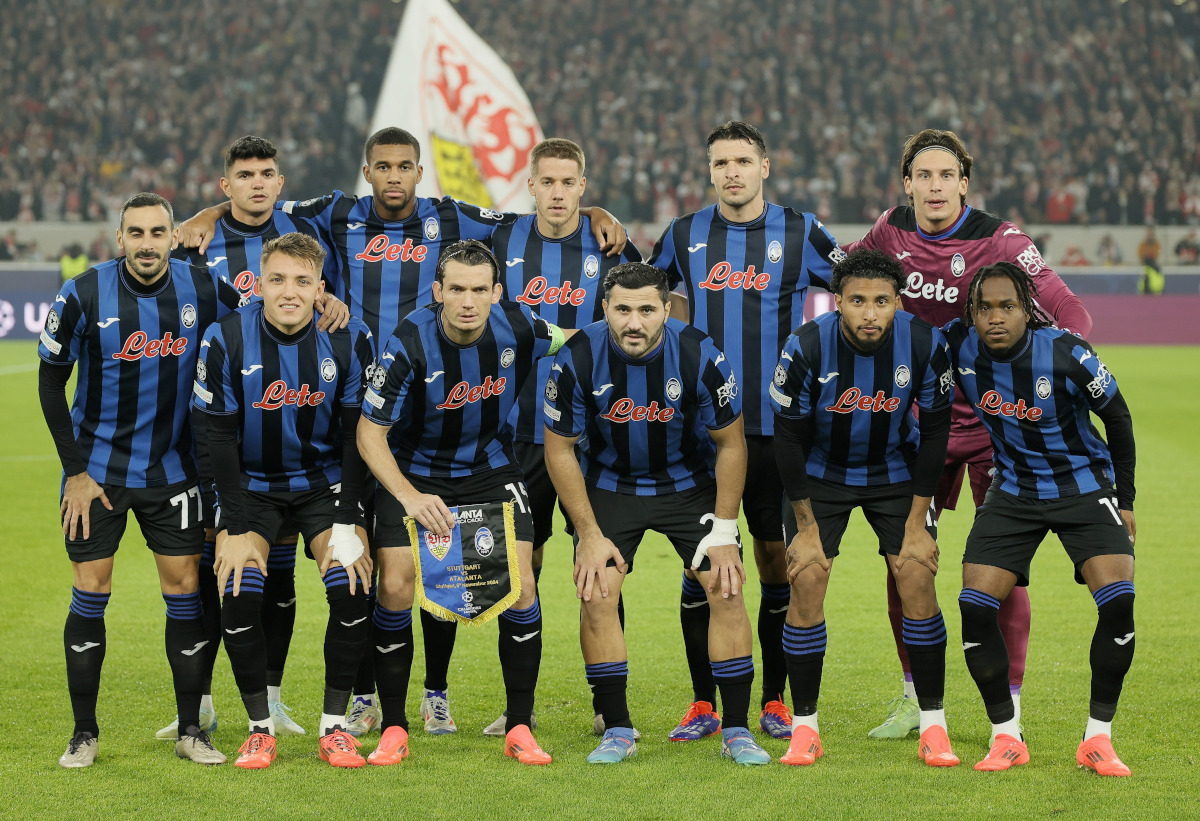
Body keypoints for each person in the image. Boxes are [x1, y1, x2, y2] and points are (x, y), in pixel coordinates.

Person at [180, 127, 626, 735]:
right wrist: (209, 212)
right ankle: (361, 699)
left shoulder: (450, 218)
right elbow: (264, 203)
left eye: (405, 166)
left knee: (479, 574)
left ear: (419, 172)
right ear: (368, 172)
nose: (393, 176)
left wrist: (592, 209)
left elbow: (526, 214)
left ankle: (438, 699)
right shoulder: (338, 213)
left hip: (433, 416)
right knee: (373, 573)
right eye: (383, 166)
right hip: (377, 411)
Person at [845, 128, 1093, 738]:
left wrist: (1061, 376)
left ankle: (1010, 703)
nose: (934, 187)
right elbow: (838, 262)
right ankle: (913, 698)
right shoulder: (889, 230)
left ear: (964, 182)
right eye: (922, 176)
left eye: (945, 176)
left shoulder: (999, 240)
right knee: (905, 561)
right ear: (908, 184)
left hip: (990, 429)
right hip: (913, 424)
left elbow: (1071, 313)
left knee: (1000, 567)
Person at [649, 121, 845, 741]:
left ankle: (777, 699)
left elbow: (863, 287)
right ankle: (703, 702)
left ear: (765, 165)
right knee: (699, 565)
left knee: (772, 562)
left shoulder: (802, 230)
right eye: (719, 163)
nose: (730, 172)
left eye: (741, 160)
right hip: (702, 432)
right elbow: (637, 292)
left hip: (779, 431)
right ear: (709, 171)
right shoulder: (684, 235)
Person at [38, 193, 242, 767]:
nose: (148, 243)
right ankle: (84, 733)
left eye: (158, 232)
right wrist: (74, 472)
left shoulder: (205, 288)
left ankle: (190, 731)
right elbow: (51, 384)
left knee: (183, 591)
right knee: (91, 589)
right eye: (137, 232)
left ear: (172, 235)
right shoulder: (81, 293)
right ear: (119, 236)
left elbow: (261, 318)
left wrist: (322, 301)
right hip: (96, 477)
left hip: (174, 473)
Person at [158, 134, 351, 742]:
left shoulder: (309, 226)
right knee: (219, 570)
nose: (258, 183)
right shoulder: (198, 244)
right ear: (226, 185)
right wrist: (205, 217)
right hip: (218, 441)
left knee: (285, 580)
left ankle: (271, 702)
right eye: (245, 176)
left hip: (304, 459)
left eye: (268, 172)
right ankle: (205, 702)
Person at [544, 261, 770, 766]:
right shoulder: (576, 357)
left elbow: (731, 444)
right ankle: (617, 728)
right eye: (622, 309)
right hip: (609, 485)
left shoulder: (701, 354)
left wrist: (726, 530)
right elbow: (559, 450)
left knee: (726, 583)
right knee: (597, 588)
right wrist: (587, 533)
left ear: (666, 310)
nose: (634, 322)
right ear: (604, 309)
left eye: (647, 310)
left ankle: (736, 728)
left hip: (689, 485)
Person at [356, 240, 564, 766]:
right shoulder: (406, 344)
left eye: (479, 290)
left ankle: (520, 725)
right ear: (438, 292)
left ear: (497, 292)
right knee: (397, 583)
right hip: (414, 473)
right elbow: (369, 434)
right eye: (456, 290)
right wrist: (409, 496)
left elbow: (578, 340)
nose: (467, 301)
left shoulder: (522, 327)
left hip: (490, 468)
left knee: (522, 583)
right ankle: (396, 727)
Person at [946, 262, 1137, 776]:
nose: (995, 319)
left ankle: (1098, 739)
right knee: (974, 604)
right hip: (1013, 490)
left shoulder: (1067, 353)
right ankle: (1006, 736)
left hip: (1083, 485)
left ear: (1027, 308)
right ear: (972, 312)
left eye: (1007, 307)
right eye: (984, 308)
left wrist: (1126, 499)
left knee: (1118, 602)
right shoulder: (957, 346)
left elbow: (1116, 417)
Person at [193, 232, 375, 769]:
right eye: (277, 280)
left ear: (321, 288)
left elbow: (353, 437)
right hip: (250, 485)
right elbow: (217, 437)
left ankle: (334, 728)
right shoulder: (225, 337)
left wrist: (346, 519)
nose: (289, 292)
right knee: (241, 588)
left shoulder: (347, 338)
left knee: (350, 584)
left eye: (302, 281)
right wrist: (232, 525)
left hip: (324, 485)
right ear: (260, 285)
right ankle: (259, 729)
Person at [770, 249, 957, 767]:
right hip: (820, 474)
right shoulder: (805, 345)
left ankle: (933, 725)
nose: (869, 313)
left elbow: (936, 430)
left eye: (881, 301)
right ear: (838, 302)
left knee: (917, 573)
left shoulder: (924, 343)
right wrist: (805, 526)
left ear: (898, 301)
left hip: (896, 470)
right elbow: (786, 440)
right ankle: (805, 728)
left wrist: (918, 522)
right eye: (857, 301)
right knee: (806, 578)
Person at [484, 137, 642, 737]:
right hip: (517, 436)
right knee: (521, 573)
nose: (556, 192)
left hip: (590, 437)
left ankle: (607, 705)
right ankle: (515, 706)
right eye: (545, 181)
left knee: (599, 565)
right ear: (530, 185)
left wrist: (605, 218)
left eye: (567, 182)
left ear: (583, 186)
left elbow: (642, 314)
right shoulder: (501, 240)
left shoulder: (609, 245)